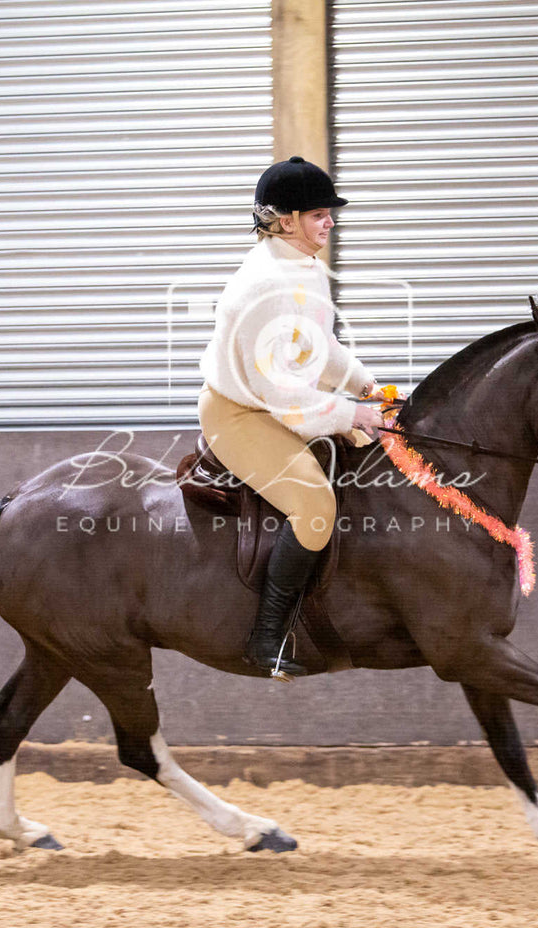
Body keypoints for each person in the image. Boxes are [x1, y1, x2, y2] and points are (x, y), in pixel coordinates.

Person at [197, 156, 386, 680]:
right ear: (284, 221)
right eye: (318, 214)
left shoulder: (303, 268)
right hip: (241, 412)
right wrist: (355, 412)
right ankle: (267, 639)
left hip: (278, 398)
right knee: (313, 504)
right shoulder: (265, 286)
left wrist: (367, 386)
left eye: (329, 213)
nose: (330, 222)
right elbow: (285, 399)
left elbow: (318, 348)